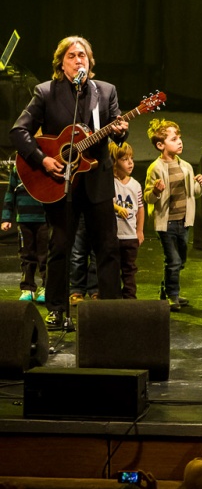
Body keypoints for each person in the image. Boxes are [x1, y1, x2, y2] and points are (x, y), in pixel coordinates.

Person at [10, 35, 126, 329]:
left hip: (97, 181)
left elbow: (116, 129)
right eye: (72, 56)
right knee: (60, 246)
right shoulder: (45, 92)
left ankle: (111, 311)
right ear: (61, 63)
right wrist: (42, 159)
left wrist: (120, 131)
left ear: (90, 62)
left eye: (83, 56)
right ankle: (57, 309)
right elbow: (19, 132)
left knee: (107, 247)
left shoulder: (106, 91)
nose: (78, 60)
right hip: (59, 182)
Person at [144, 119, 202, 312]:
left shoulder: (186, 166)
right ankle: (173, 295)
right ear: (160, 145)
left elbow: (194, 193)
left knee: (181, 260)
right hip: (167, 223)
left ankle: (168, 289)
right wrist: (156, 191)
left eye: (179, 137)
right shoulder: (155, 168)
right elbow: (148, 197)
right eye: (174, 138)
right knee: (173, 260)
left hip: (183, 221)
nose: (179, 141)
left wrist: (201, 183)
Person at [2, 166, 48, 304]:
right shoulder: (17, 169)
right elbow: (10, 193)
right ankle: (27, 288)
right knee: (26, 255)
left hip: (43, 219)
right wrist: (6, 218)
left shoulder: (46, 164)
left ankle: (46, 287)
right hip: (24, 219)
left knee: (45, 255)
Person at [111, 142, 144, 299]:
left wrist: (139, 231)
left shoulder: (135, 185)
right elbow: (106, 202)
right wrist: (118, 208)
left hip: (130, 237)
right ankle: (115, 298)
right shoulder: (111, 182)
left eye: (131, 158)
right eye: (125, 159)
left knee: (130, 269)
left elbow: (140, 208)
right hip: (115, 236)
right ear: (115, 162)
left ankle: (130, 298)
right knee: (113, 268)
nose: (130, 162)